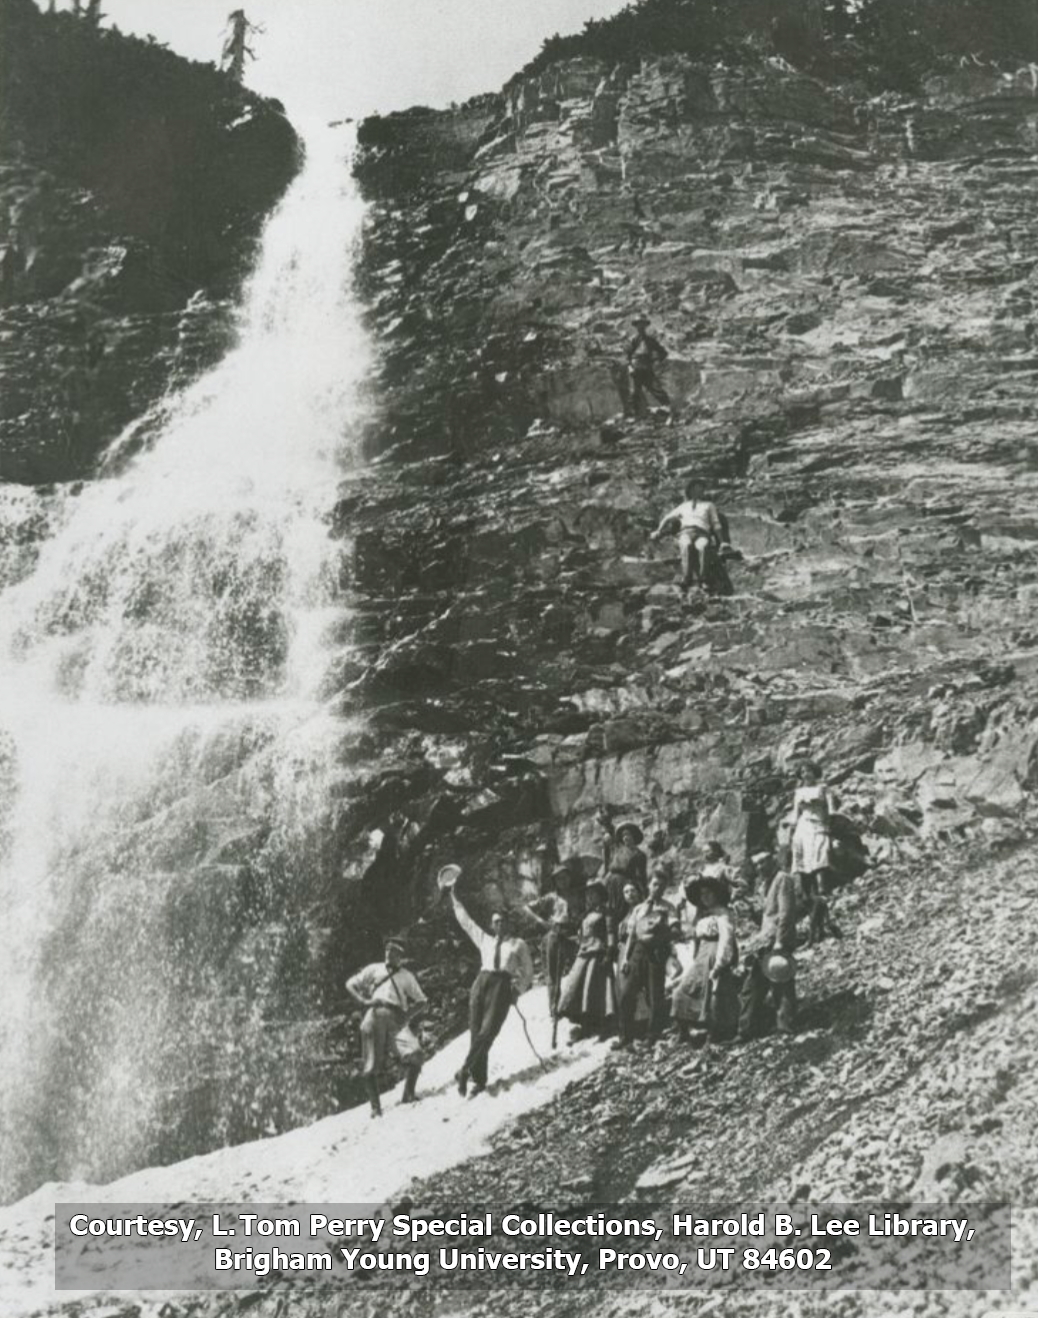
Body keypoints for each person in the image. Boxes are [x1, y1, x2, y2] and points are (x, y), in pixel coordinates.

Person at [450, 887, 535, 1096]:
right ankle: (478, 1079)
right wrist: (453, 896)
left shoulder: (518, 944)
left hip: (501, 986)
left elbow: (528, 971)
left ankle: (464, 1071)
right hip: (480, 983)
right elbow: (466, 922)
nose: (500, 925)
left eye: (503, 921)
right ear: (492, 925)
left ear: (509, 923)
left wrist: (517, 990)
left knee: (487, 1033)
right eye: (496, 922)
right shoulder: (485, 940)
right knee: (475, 1031)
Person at [345, 939, 427, 1119]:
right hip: (374, 1013)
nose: (388, 953)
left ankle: (408, 1095)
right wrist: (363, 1002)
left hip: (397, 1019)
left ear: (401, 955)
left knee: (416, 1053)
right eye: (387, 950)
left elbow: (422, 1000)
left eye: (394, 951)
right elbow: (350, 984)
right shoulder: (374, 969)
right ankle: (375, 1108)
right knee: (370, 1064)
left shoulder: (406, 975)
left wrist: (408, 1014)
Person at [672, 876, 739, 1042]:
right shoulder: (703, 915)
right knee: (681, 992)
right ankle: (683, 1031)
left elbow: (726, 939)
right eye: (702, 894)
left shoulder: (724, 914)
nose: (705, 897)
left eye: (709, 893)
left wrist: (720, 964)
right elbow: (696, 939)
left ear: (716, 894)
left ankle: (713, 1033)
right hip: (701, 957)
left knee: (712, 997)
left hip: (714, 955)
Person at [738, 865, 798, 1040]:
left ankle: (785, 1026)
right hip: (764, 940)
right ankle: (746, 1029)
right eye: (756, 865)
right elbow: (764, 914)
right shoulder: (764, 885)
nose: (760, 867)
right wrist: (747, 904)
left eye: (763, 862)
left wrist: (780, 941)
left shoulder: (783, 879)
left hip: (778, 939)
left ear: (771, 859)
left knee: (781, 981)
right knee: (753, 984)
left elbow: (786, 913)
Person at [526, 865, 584, 1042]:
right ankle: (554, 1009)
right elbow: (527, 908)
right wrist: (542, 922)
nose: (563, 881)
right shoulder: (551, 897)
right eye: (559, 878)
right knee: (553, 974)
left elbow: (583, 912)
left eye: (565, 877)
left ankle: (575, 1006)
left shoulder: (577, 895)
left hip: (572, 934)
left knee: (578, 970)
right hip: (555, 933)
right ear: (555, 881)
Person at [618, 871, 674, 1046]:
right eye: (655, 884)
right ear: (648, 885)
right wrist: (626, 958)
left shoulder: (668, 908)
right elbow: (631, 936)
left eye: (662, 886)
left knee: (654, 994)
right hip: (637, 951)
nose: (658, 889)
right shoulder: (639, 908)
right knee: (627, 994)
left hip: (656, 951)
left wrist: (662, 932)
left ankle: (652, 1035)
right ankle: (626, 1036)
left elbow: (675, 930)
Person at [557, 882, 617, 1040]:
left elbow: (611, 933)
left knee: (595, 990)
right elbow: (581, 936)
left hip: (598, 955)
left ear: (600, 894)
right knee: (577, 988)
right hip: (583, 955)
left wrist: (609, 953)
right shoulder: (586, 914)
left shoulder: (606, 912)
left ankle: (604, 1025)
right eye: (588, 894)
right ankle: (586, 1025)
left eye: (593, 893)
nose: (590, 897)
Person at [791, 762, 837, 946]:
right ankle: (804, 890)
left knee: (819, 850)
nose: (805, 774)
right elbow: (795, 814)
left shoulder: (823, 788)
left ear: (814, 772)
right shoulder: (799, 792)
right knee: (801, 853)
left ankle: (822, 887)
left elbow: (831, 809)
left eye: (808, 770)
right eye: (802, 771)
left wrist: (830, 823)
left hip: (818, 822)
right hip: (803, 825)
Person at [651, 480, 725, 592]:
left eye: (701, 488)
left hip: (702, 533)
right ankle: (686, 578)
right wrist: (658, 531)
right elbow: (667, 517)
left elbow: (716, 523)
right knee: (686, 545)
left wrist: (722, 541)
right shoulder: (683, 506)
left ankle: (703, 579)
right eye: (695, 488)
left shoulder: (709, 505)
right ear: (690, 491)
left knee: (703, 547)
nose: (698, 490)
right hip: (685, 532)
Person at [599, 814, 648, 943]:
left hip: (623, 885)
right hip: (610, 883)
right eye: (624, 835)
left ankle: (620, 940)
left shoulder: (639, 855)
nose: (626, 838)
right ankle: (607, 943)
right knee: (607, 912)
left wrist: (644, 894)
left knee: (620, 912)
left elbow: (641, 876)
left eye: (629, 835)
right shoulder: (618, 849)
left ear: (634, 837)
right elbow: (609, 838)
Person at [625, 315, 673, 420]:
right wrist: (630, 367)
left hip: (647, 368)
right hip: (635, 368)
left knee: (657, 389)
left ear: (645, 326)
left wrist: (656, 361)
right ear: (636, 326)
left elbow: (663, 352)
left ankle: (668, 409)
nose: (640, 327)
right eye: (638, 325)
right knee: (634, 392)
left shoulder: (650, 340)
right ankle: (633, 415)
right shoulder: (633, 340)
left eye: (642, 325)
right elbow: (627, 356)